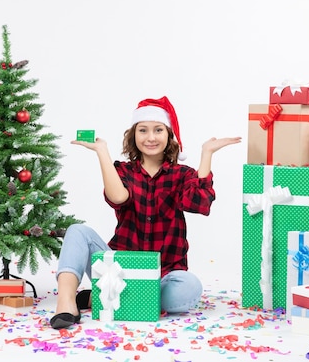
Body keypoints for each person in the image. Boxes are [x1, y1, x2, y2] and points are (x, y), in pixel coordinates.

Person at [50, 96, 241, 329]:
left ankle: (102, 298)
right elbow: (118, 198)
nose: (151, 137)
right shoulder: (122, 171)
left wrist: (207, 154)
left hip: (163, 274)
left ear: (169, 135)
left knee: (189, 288)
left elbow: (198, 203)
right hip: (118, 270)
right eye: (143, 130)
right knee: (77, 231)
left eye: (158, 130)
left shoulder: (183, 174)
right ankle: (67, 302)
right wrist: (102, 152)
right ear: (134, 135)